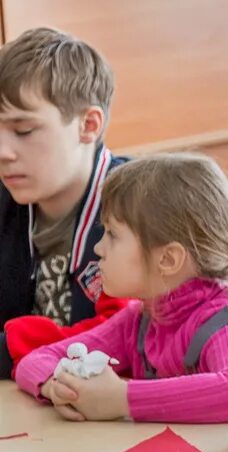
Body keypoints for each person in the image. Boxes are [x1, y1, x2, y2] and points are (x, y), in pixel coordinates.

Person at [15, 154, 228, 422]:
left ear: (168, 259)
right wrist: (56, 386)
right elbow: (37, 359)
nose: (98, 248)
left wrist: (120, 399)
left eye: (113, 235)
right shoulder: (141, 319)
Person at [0, 27, 131, 378]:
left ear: (88, 125)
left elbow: (123, 339)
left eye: (24, 131)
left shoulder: (143, 207)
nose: (3, 152)